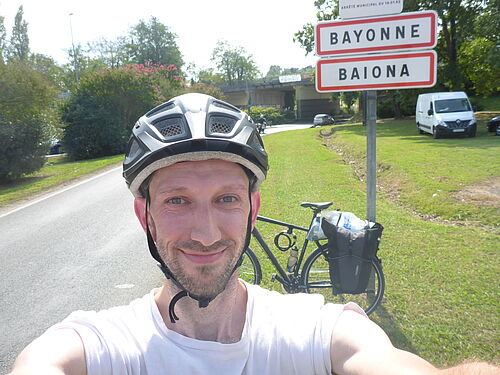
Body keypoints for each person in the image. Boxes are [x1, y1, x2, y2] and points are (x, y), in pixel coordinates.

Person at [10, 94, 498, 375]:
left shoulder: (307, 330)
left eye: (226, 199)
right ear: (146, 217)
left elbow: (376, 358)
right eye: (178, 201)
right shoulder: (102, 343)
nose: (205, 233)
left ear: (252, 209)